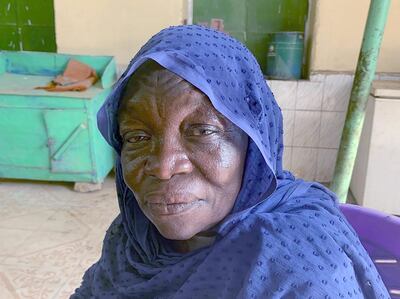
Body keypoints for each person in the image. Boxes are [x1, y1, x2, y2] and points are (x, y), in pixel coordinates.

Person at [71, 25, 389, 298]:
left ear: (252, 145)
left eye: (202, 131)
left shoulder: (301, 268)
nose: (164, 167)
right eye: (137, 137)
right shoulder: (134, 238)